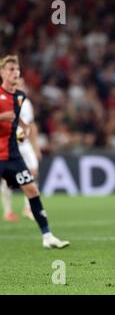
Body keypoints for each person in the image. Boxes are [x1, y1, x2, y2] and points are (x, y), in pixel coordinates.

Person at [0, 55, 69, 248]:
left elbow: (16, 119)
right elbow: (6, 117)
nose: (15, 73)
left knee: (32, 190)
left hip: (13, 155)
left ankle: (47, 236)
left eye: (17, 70)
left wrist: (22, 125)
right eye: (11, 70)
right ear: (2, 73)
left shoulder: (21, 96)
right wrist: (1, 117)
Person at [2, 78, 40, 221]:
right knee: (7, 179)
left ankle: (28, 207)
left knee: (33, 172)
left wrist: (36, 147)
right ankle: (8, 211)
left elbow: (31, 126)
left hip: (24, 144)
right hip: (9, 145)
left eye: (22, 84)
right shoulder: (5, 100)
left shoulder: (27, 103)